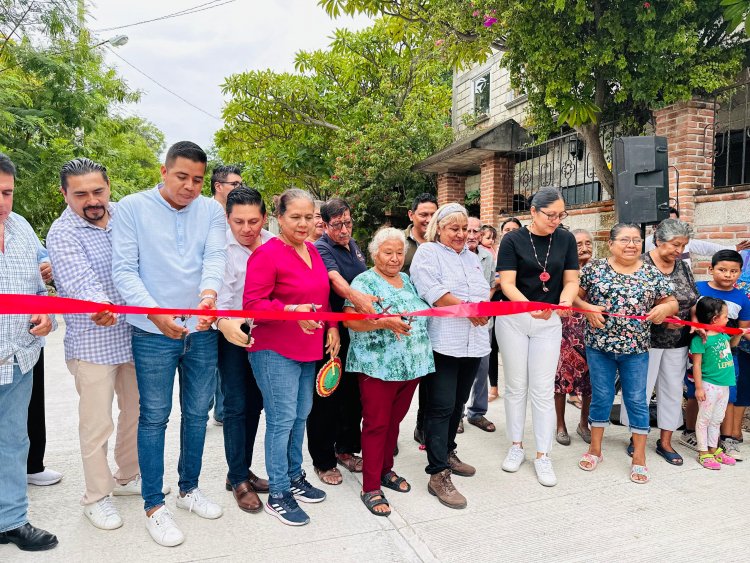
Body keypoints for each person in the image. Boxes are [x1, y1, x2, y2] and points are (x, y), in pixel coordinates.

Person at [112, 141, 227, 547]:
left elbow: (215, 257)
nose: (190, 187)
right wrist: (154, 313)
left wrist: (209, 295)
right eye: (182, 177)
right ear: (163, 171)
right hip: (151, 332)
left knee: (197, 414)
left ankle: (189, 489)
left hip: (201, 329)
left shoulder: (212, 210)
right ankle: (153, 505)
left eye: (198, 180)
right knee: (154, 417)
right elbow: (124, 270)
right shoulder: (131, 208)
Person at [46, 158, 144, 531]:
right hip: (93, 343)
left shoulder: (124, 217)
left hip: (134, 336)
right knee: (97, 424)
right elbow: (81, 282)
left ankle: (127, 477)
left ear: (108, 187)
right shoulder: (62, 233)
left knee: (136, 413)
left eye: (98, 191)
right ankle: (96, 497)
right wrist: (99, 305)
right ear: (65, 194)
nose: (92, 200)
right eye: (81, 194)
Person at [244, 188, 340, 526]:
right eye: (294, 217)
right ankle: (279, 493)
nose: (303, 223)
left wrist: (330, 326)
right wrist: (291, 310)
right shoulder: (266, 254)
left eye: (307, 216)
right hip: (274, 349)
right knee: (282, 419)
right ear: (279, 217)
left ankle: (294, 475)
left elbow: (321, 297)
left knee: (301, 416)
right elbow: (252, 306)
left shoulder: (312, 250)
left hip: (308, 346)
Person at [342, 227, 434, 516]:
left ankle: (384, 470)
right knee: (376, 424)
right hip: (378, 367)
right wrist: (383, 323)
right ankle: (370, 486)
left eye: (399, 253)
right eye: (388, 253)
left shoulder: (406, 280)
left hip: (412, 365)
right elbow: (350, 321)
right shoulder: (364, 281)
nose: (395, 259)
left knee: (394, 423)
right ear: (374, 254)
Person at [576, 223, 677, 484]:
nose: (631, 244)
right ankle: (595, 450)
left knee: (636, 399)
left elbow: (672, 301)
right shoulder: (594, 269)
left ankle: (639, 457)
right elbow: (573, 296)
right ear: (610, 244)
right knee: (601, 396)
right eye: (624, 239)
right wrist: (587, 308)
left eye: (636, 240)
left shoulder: (651, 274)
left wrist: (665, 310)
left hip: (636, 349)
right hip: (599, 347)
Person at [495, 187, 579, 487]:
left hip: (549, 320)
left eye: (561, 215)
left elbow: (570, 280)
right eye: (550, 215)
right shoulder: (512, 239)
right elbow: (507, 283)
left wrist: (565, 301)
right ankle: (516, 445)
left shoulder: (566, 239)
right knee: (516, 386)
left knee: (543, 389)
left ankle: (543, 454)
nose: (556, 220)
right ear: (533, 211)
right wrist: (529, 306)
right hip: (515, 318)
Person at [411, 203, 490, 509]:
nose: (461, 234)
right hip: (442, 342)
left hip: (473, 340)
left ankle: (448, 452)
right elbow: (434, 291)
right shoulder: (427, 253)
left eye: (466, 229)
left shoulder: (472, 258)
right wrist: (469, 309)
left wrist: (480, 309)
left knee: (457, 404)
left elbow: (483, 291)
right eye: (453, 228)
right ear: (439, 229)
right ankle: (437, 473)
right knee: (440, 406)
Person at [0, 152, 58, 552]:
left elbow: (42, 283)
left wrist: (47, 312)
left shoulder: (20, 226)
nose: (3, 203)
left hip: (18, 357)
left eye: (7, 193)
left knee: (14, 441)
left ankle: (12, 520)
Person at [619, 219, 699, 466]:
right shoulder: (640, 264)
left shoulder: (683, 266)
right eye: (675, 245)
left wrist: (694, 322)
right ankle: (637, 436)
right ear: (659, 241)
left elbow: (692, 298)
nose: (679, 250)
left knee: (673, 391)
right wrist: (662, 319)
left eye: (683, 245)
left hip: (678, 341)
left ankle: (665, 441)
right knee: (638, 391)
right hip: (646, 341)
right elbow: (629, 303)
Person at [307, 198, 374, 483]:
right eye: (337, 225)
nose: (344, 229)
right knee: (326, 395)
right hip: (330, 332)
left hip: (355, 331)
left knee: (351, 396)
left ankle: (346, 450)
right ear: (324, 225)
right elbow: (335, 281)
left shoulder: (354, 246)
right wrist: (358, 299)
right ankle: (323, 461)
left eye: (348, 222)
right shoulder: (321, 247)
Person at [214, 186, 272, 513]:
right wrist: (229, 325)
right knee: (236, 405)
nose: (247, 229)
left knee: (256, 405)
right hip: (232, 333)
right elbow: (221, 301)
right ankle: (238, 479)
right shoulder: (220, 250)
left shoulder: (274, 245)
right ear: (228, 218)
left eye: (253, 221)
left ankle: (242, 470)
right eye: (239, 222)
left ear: (264, 218)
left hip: (267, 333)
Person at [679, 250, 750, 460]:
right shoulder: (698, 288)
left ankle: (723, 439)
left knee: (728, 395)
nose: (728, 275)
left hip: (728, 352)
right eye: (722, 270)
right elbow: (689, 313)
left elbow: (742, 328)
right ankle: (690, 433)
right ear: (711, 269)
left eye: (734, 271)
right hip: (700, 350)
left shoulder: (742, 298)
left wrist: (742, 335)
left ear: (740, 272)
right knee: (695, 392)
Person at [21, 218, 63, 488]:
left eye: (7, 192)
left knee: (32, 404)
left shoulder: (19, 226)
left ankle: (33, 465)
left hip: (27, 334)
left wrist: (47, 266)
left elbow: (43, 256)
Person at [207, 165, 242, 426]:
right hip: (209, 298)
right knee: (212, 365)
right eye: (235, 184)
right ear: (219, 186)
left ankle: (221, 409)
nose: (239, 188)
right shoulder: (206, 213)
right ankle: (212, 405)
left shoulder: (238, 214)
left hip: (232, 304)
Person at [554, 228, 594, 446]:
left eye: (588, 243)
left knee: (590, 382)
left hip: (592, 332)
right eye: (579, 244)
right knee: (561, 379)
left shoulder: (598, 270)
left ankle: (583, 423)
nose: (585, 247)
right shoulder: (562, 270)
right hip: (564, 331)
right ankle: (560, 425)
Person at [691, 297, 741, 469]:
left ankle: (714, 448)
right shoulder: (700, 339)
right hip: (708, 385)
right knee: (704, 419)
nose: (728, 320)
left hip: (724, 385)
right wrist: (698, 388)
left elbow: (731, 346)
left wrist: (738, 335)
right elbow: (696, 365)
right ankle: (703, 451)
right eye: (726, 316)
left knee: (717, 419)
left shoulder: (721, 334)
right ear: (714, 319)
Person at [460, 216, 496, 433]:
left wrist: (484, 306)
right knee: (461, 369)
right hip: (460, 319)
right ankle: (458, 414)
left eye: (476, 232)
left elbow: (492, 285)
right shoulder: (453, 256)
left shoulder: (487, 257)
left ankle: (477, 412)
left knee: (482, 368)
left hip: (483, 320)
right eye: (468, 231)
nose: (472, 236)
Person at [644, 207, 750, 268]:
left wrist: (734, 248)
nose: (680, 250)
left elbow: (707, 248)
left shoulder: (685, 246)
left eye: (676, 222)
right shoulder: (647, 244)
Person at [488, 216, 522, 402]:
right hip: (496, 303)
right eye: (507, 229)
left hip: (516, 306)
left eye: (514, 229)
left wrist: (502, 282)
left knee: (513, 349)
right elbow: (492, 279)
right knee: (492, 346)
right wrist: (501, 283)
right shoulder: (493, 253)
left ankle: (514, 387)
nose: (510, 232)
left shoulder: (526, 252)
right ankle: (493, 387)